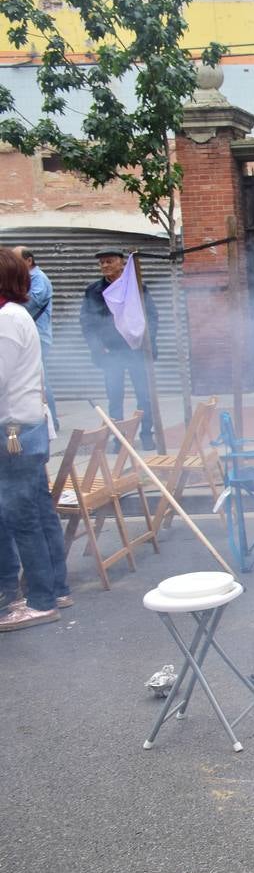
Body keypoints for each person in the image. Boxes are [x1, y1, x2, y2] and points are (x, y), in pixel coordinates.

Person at [0, 247, 70, 632]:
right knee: (38, 515)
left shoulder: (7, 319)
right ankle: (55, 589)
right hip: (25, 429)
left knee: (22, 518)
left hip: (13, 433)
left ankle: (41, 600)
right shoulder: (14, 316)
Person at [80, 248, 157, 449]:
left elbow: (152, 317)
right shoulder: (93, 291)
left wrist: (147, 342)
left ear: (122, 263)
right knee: (114, 396)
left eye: (109, 261)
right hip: (111, 353)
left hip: (136, 350)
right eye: (102, 263)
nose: (105, 266)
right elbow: (87, 322)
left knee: (144, 395)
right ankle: (119, 439)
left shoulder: (136, 288)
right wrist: (98, 347)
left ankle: (147, 434)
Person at [13, 247, 56, 430]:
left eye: (16, 260)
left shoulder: (39, 279)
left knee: (40, 380)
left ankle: (51, 420)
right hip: (31, 336)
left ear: (29, 260)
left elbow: (30, 303)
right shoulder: (26, 279)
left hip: (38, 337)